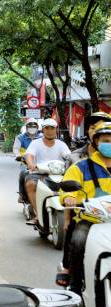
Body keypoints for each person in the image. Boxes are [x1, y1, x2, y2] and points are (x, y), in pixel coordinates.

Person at [56, 121, 111, 291]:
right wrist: (69, 198)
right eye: (106, 140)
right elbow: (65, 189)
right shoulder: (81, 167)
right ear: (96, 142)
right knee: (78, 241)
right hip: (90, 220)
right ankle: (75, 284)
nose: (109, 144)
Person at [24, 118, 71, 225]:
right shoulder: (35, 143)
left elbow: (69, 156)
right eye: (47, 128)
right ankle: (37, 214)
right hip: (39, 173)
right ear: (43, 130)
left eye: (52, 128)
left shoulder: (61, 144)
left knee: (73, 185)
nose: (50, 131)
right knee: (30, 184)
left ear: (56, 130)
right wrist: (31, 164)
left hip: (58, 174)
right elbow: (29, 155)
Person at [13, 120, 40, 200]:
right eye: (30, 126)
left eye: (34, 126)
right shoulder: (20, 137)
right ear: (26, 127)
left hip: (40, 162)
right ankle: (21, 194)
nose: (32, 128)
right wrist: (18, 156)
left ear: (37, 128)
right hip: (25, 162)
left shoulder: (42, 137)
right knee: (22, 173)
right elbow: (16, 149)